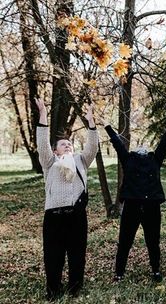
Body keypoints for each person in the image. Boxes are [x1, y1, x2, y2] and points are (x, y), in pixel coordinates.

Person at [35, 98, 98, 300]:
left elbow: (93, 148)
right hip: (54, 216)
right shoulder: (50, 161)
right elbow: (42, 145)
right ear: (56, 150)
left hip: (76, 216)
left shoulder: (80, 160)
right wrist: (43, 115)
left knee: (77, 255)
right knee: (53, 256)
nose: (68, 146)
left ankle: (75, 288)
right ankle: (53, 290)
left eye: (70, 143)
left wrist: (91, 123)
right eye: (63, 144)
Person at [105, 115, 166, 283]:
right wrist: (108, 127)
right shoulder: (128, 159)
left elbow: (163, 145)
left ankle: (155, 270)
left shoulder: (155, 159)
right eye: (139, 145)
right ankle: (119, 273)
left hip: (151, 206)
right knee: (125, 241)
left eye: (144, 146)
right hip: (131, 204)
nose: (142, 147)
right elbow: (118, 145)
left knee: (153, 241)